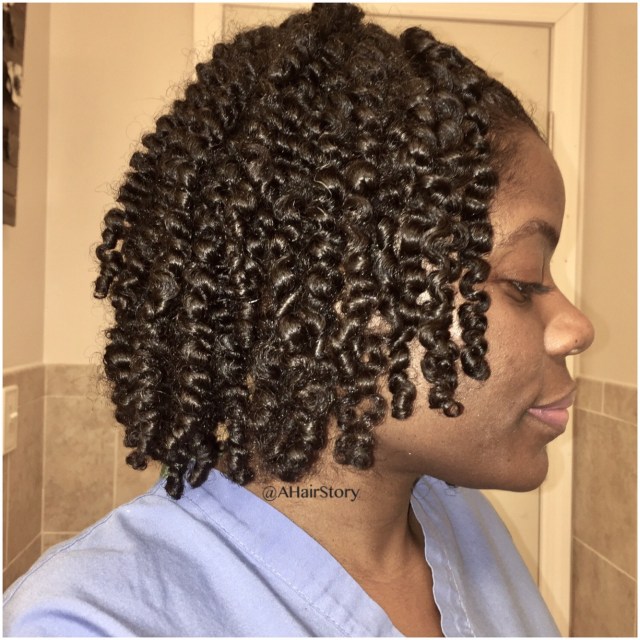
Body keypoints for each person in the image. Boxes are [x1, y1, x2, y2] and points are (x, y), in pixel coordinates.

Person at [3, 3, 594, 637]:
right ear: (332, 295)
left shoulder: (461, 519)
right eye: (524, 280)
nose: (576, 328)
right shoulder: (91, 620)